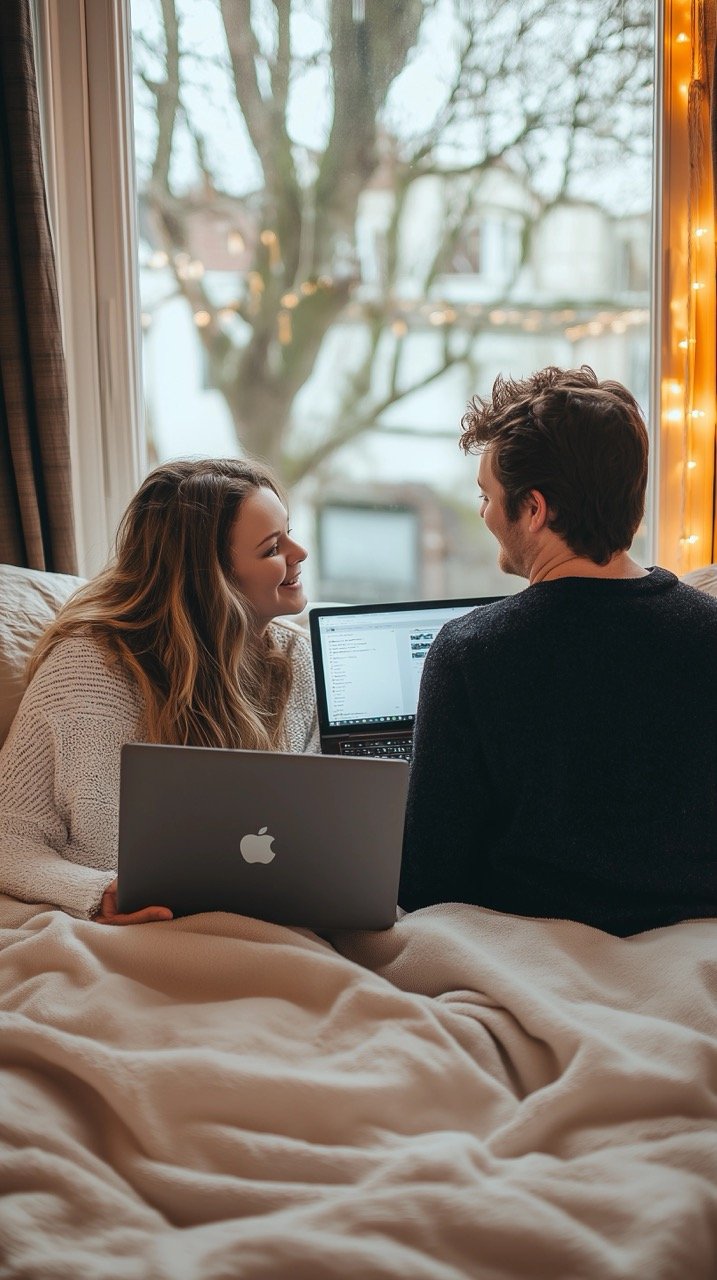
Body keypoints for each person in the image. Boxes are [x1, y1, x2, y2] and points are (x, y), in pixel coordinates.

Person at [399, 364, 717, 935]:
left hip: (534, 953)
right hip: (694, 942)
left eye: (487, 496)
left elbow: (428, 883)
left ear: (535, 509)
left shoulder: (471, 653)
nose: (485, 512)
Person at [0, 458, 317, 925]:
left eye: (288, 532)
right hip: (136, 929)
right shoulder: (87, 668)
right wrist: (96, 893)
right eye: (273, 547)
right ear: (209, 577)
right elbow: (10, 834)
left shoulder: (298, 662)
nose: (300, 551)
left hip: (277, 916)